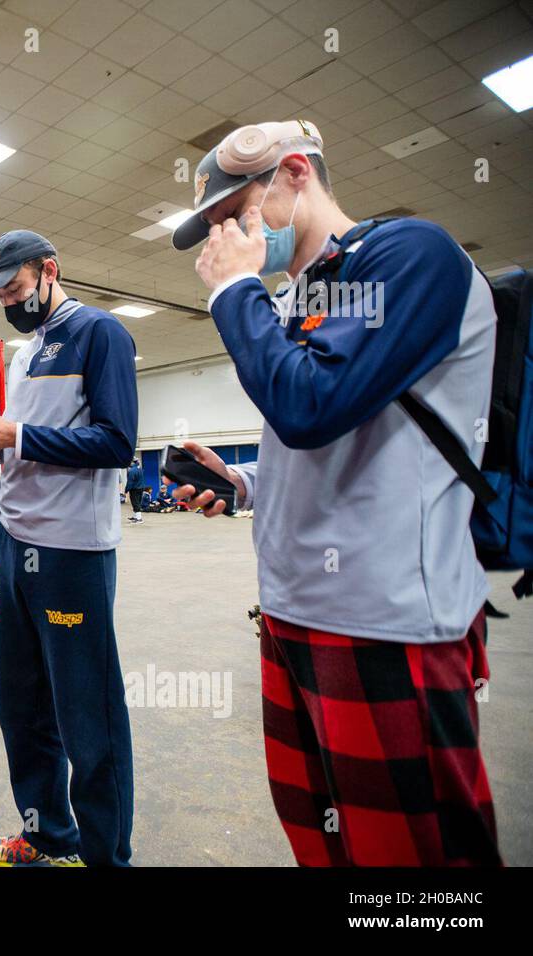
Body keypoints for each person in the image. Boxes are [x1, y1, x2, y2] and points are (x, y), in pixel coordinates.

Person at [170, 119, 500, 866]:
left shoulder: (409, 255)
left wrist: (231, 291)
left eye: (234, 211)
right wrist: (243, 482)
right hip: (290, 614)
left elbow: (310, 405)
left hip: (385, 624)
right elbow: (319, 438)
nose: (225, 234)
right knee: (322, 841)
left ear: (295, 173)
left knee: (412, 861)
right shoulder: (294, 301)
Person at [0, 229, 138, 867]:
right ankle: (48, 836)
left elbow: (117, 442)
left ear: (50, 270)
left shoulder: (101, 334)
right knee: (25, 706)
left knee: (87, 716)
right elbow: (33, 442)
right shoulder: (29, 352)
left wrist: (19, 434)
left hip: (71, 555)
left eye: (15, 287)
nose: (8, 300)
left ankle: (106, 858)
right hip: (14, 542)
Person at [125, 458, 146, 523]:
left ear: (132, 462)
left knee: (135, 503)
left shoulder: (132, 471)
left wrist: (126, 490)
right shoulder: (139, 468)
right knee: (138, 502)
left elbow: (130, 482)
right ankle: (136, 516)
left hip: (135, 489)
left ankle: (139, 519)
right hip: (141, 488)